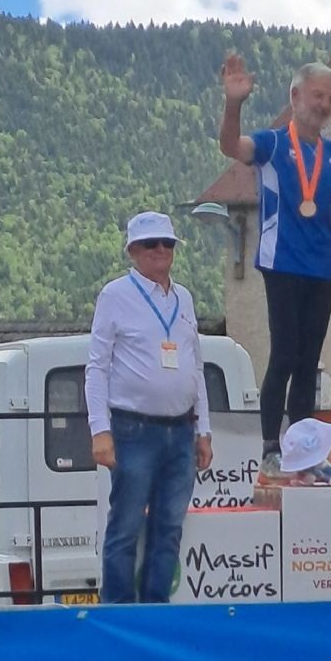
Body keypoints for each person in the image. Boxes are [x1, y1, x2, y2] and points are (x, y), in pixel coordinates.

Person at [219, 54, 331, 476]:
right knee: (285, 354)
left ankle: (304, 449)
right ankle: (271, 447)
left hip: (321, 267)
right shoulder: (273, 144)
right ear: (295, 96)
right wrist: (233, 103)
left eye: (330, 98)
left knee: (310, 362)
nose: (323, 104)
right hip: (282, 261)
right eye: (317, 95)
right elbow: (231, 147)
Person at [85, 211, 212, 603]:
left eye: (167, 243)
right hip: (133, 429)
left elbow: (196, 366)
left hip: (182, 430)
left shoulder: (184, 298)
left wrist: (204, 429)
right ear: (133, 251)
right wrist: (100, 431)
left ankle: (156, 610)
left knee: (169, 527)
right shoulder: (115, 295)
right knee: (125, 526)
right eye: (150, 244)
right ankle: (118, 612)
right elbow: (97, 367)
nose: (160, 250)